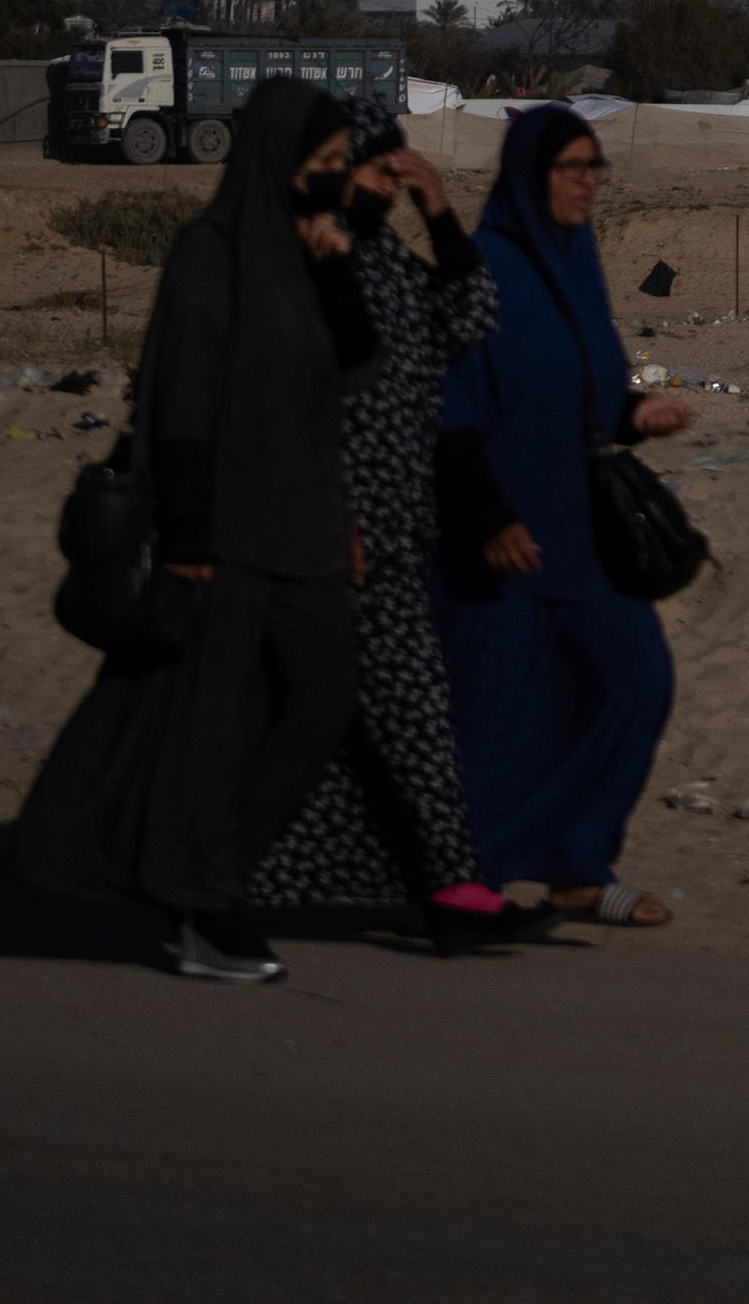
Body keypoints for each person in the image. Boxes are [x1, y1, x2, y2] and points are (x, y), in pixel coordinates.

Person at [10, 80, 369, 981]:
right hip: (227, 533)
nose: (330, 182)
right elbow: (178, 403)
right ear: (275, 162)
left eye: (338, 168)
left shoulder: (307, 254)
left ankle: (203, 872)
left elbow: (356, 363)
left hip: (309, 532)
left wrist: (334, 263)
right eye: (319, 167)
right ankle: (207, 899)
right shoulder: (209, 254)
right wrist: (191, 540)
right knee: (207, 725)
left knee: (321, 703)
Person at [234, 97, 519, 952]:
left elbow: (470, 320)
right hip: (330, 533)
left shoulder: (385, 260)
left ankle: (439, 888)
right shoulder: (305, 260)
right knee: (358, 717)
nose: (387, 184)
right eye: (373, 167)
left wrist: (439, 209)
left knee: (389, 719)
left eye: (396, 168)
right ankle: (446, 890)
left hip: (395, 534)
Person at [438, 107, 691, 926]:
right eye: (570, 165)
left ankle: (579, 864)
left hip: (582, 536)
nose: (587, 180)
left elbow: (571, 395)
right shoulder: (484, 270)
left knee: (637, 679)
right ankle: (460, 876)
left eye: (595, 165)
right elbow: (454, 411)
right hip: (501, 542)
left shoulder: (578, 264)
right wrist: (489, 519)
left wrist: (629, 415)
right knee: (496, 718)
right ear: (527, 174)